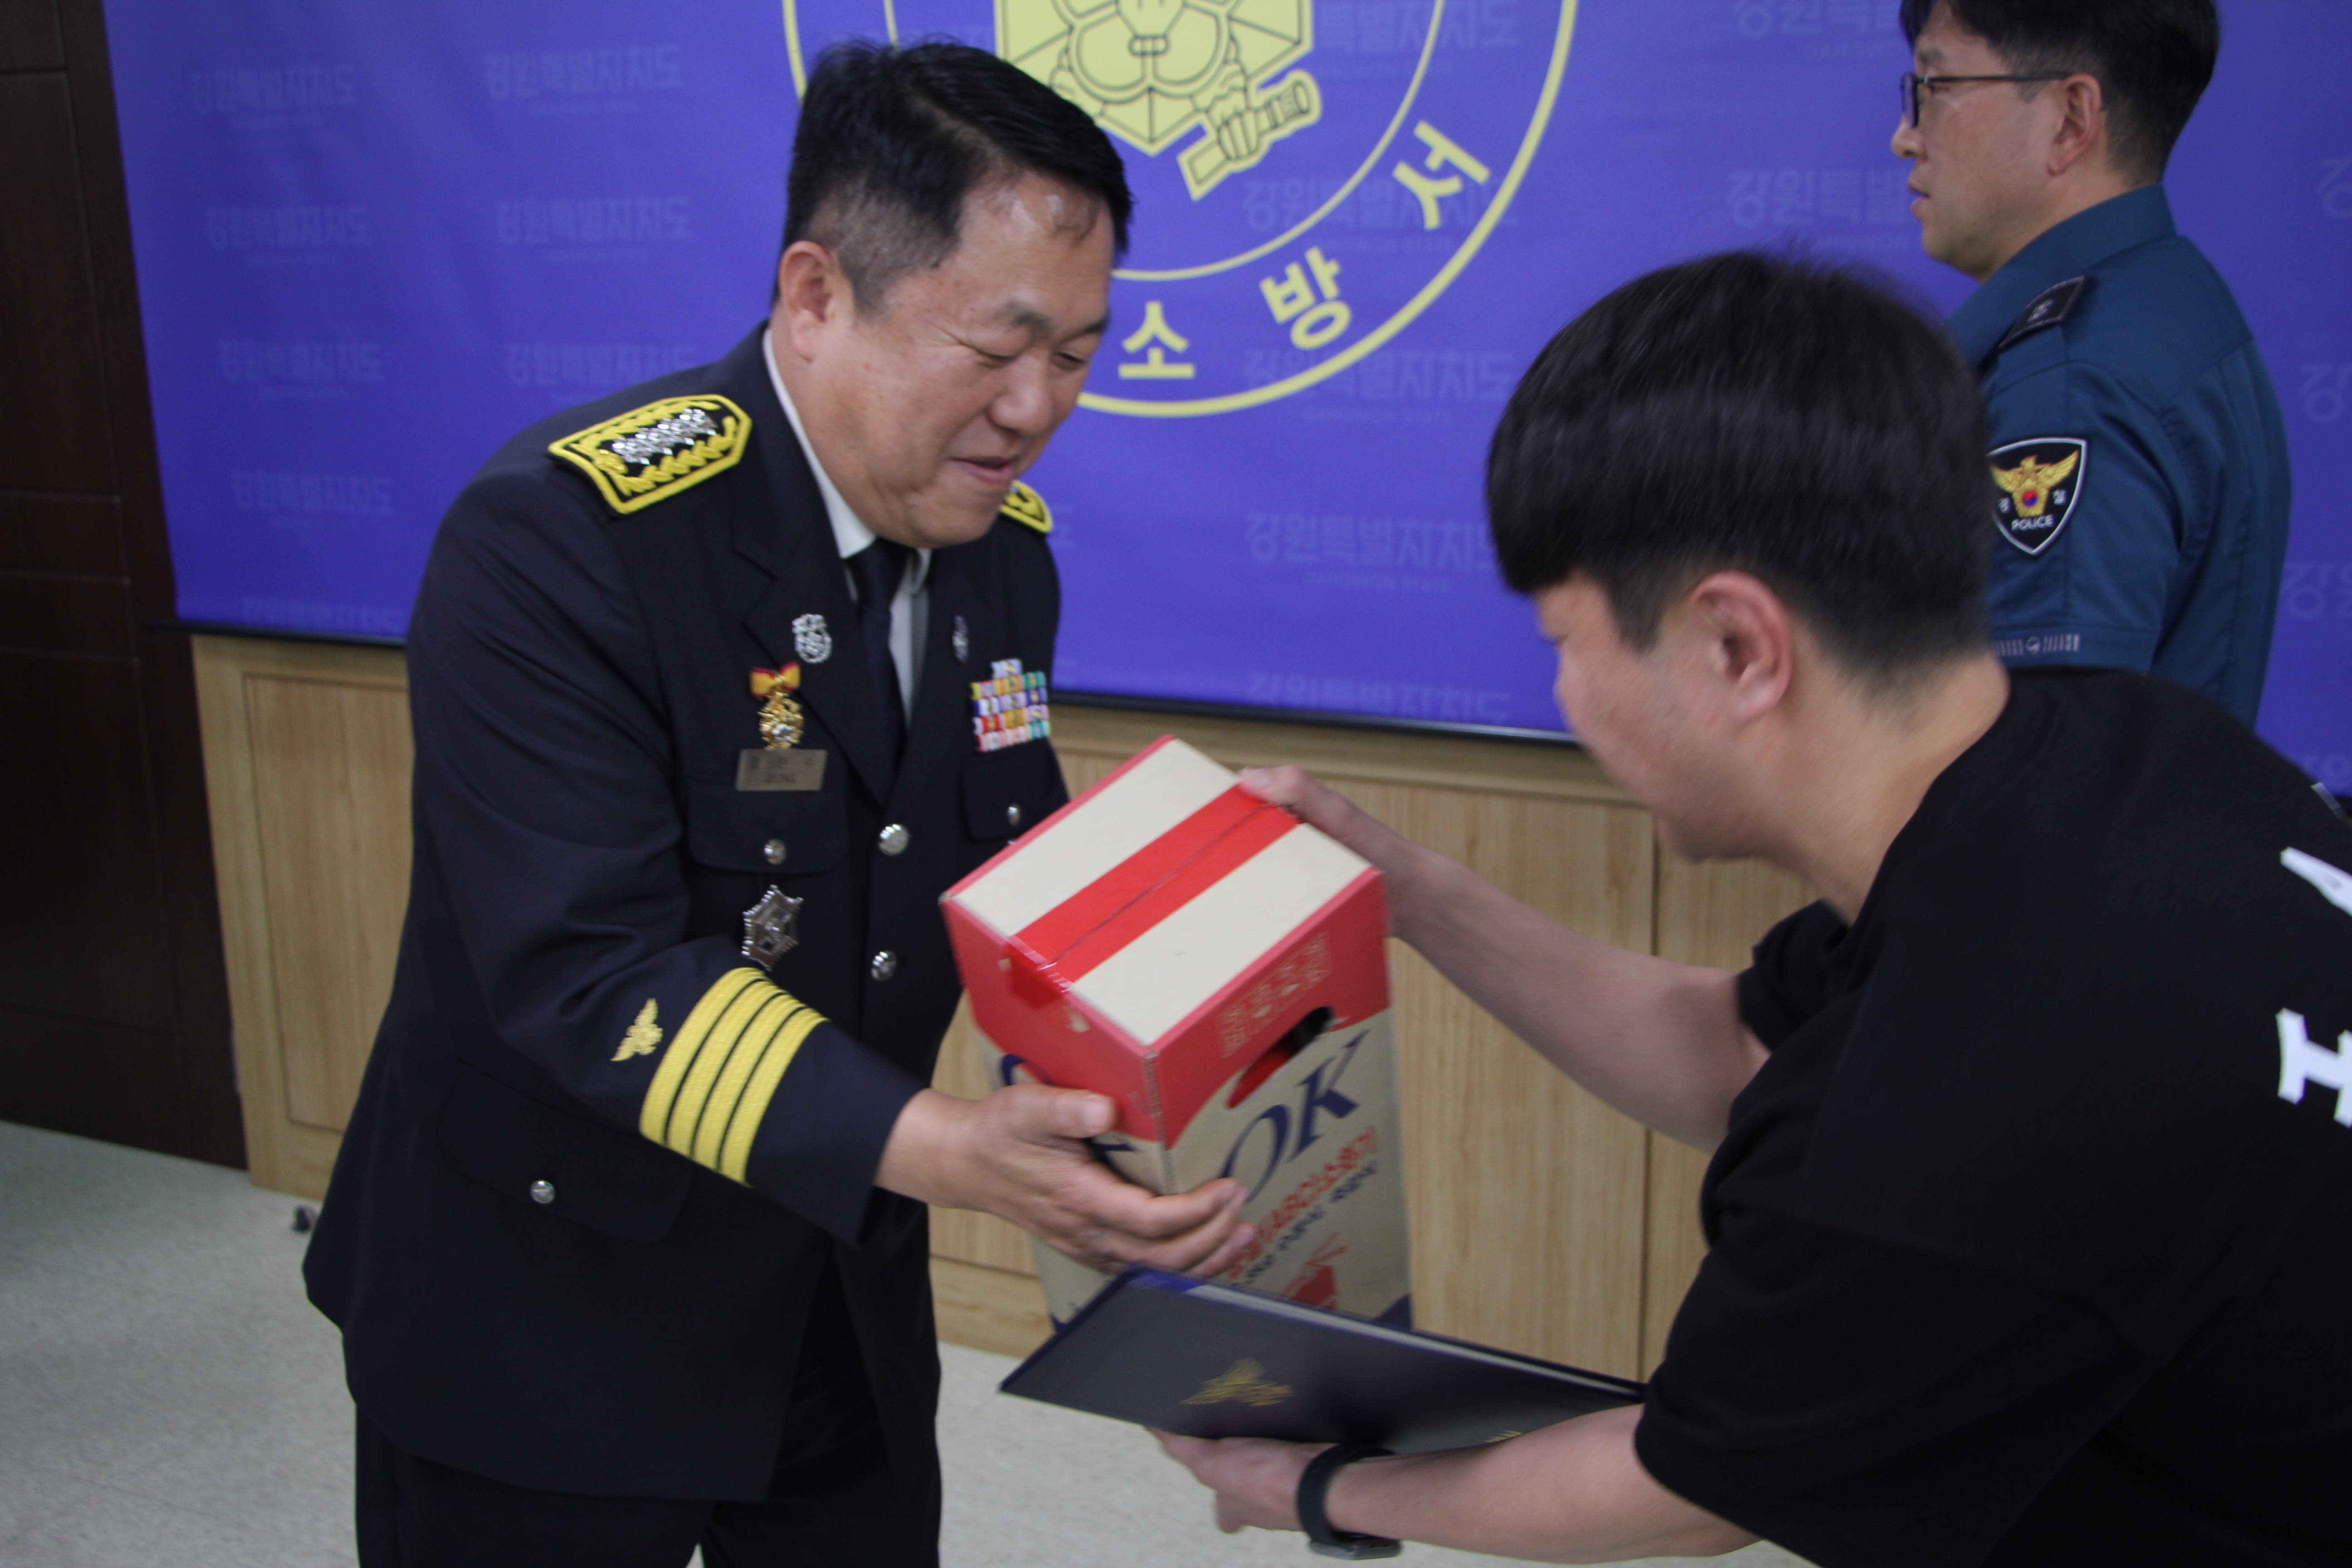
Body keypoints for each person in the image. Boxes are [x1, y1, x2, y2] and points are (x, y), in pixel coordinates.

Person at [1153, 253, 2352, 1564]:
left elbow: (1692, 1486)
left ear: (1735, 647)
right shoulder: (2130, 745)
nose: (1565, 695)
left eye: (1565, 643)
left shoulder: (1945, 1111)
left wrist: (1314, 1487)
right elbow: (1739, 1043)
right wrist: (1407, 888)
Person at [303, 40, 1252, 1568]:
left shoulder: (1002, 561)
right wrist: (949, 1147)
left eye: (1079, 354)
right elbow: (591, 974)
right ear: (816, 295)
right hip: (544, 1305)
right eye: (995, 346)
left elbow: (1014, 866)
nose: (1036, 407)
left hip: (830, 1292)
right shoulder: (563, 541)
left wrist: (1209, 1017)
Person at [1891, 0, 2289, 727]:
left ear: (2070, 119)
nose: (1904, 137)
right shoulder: (2162, 305)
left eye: (1934, 88)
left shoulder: (2069, 387)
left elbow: (2046, 765)